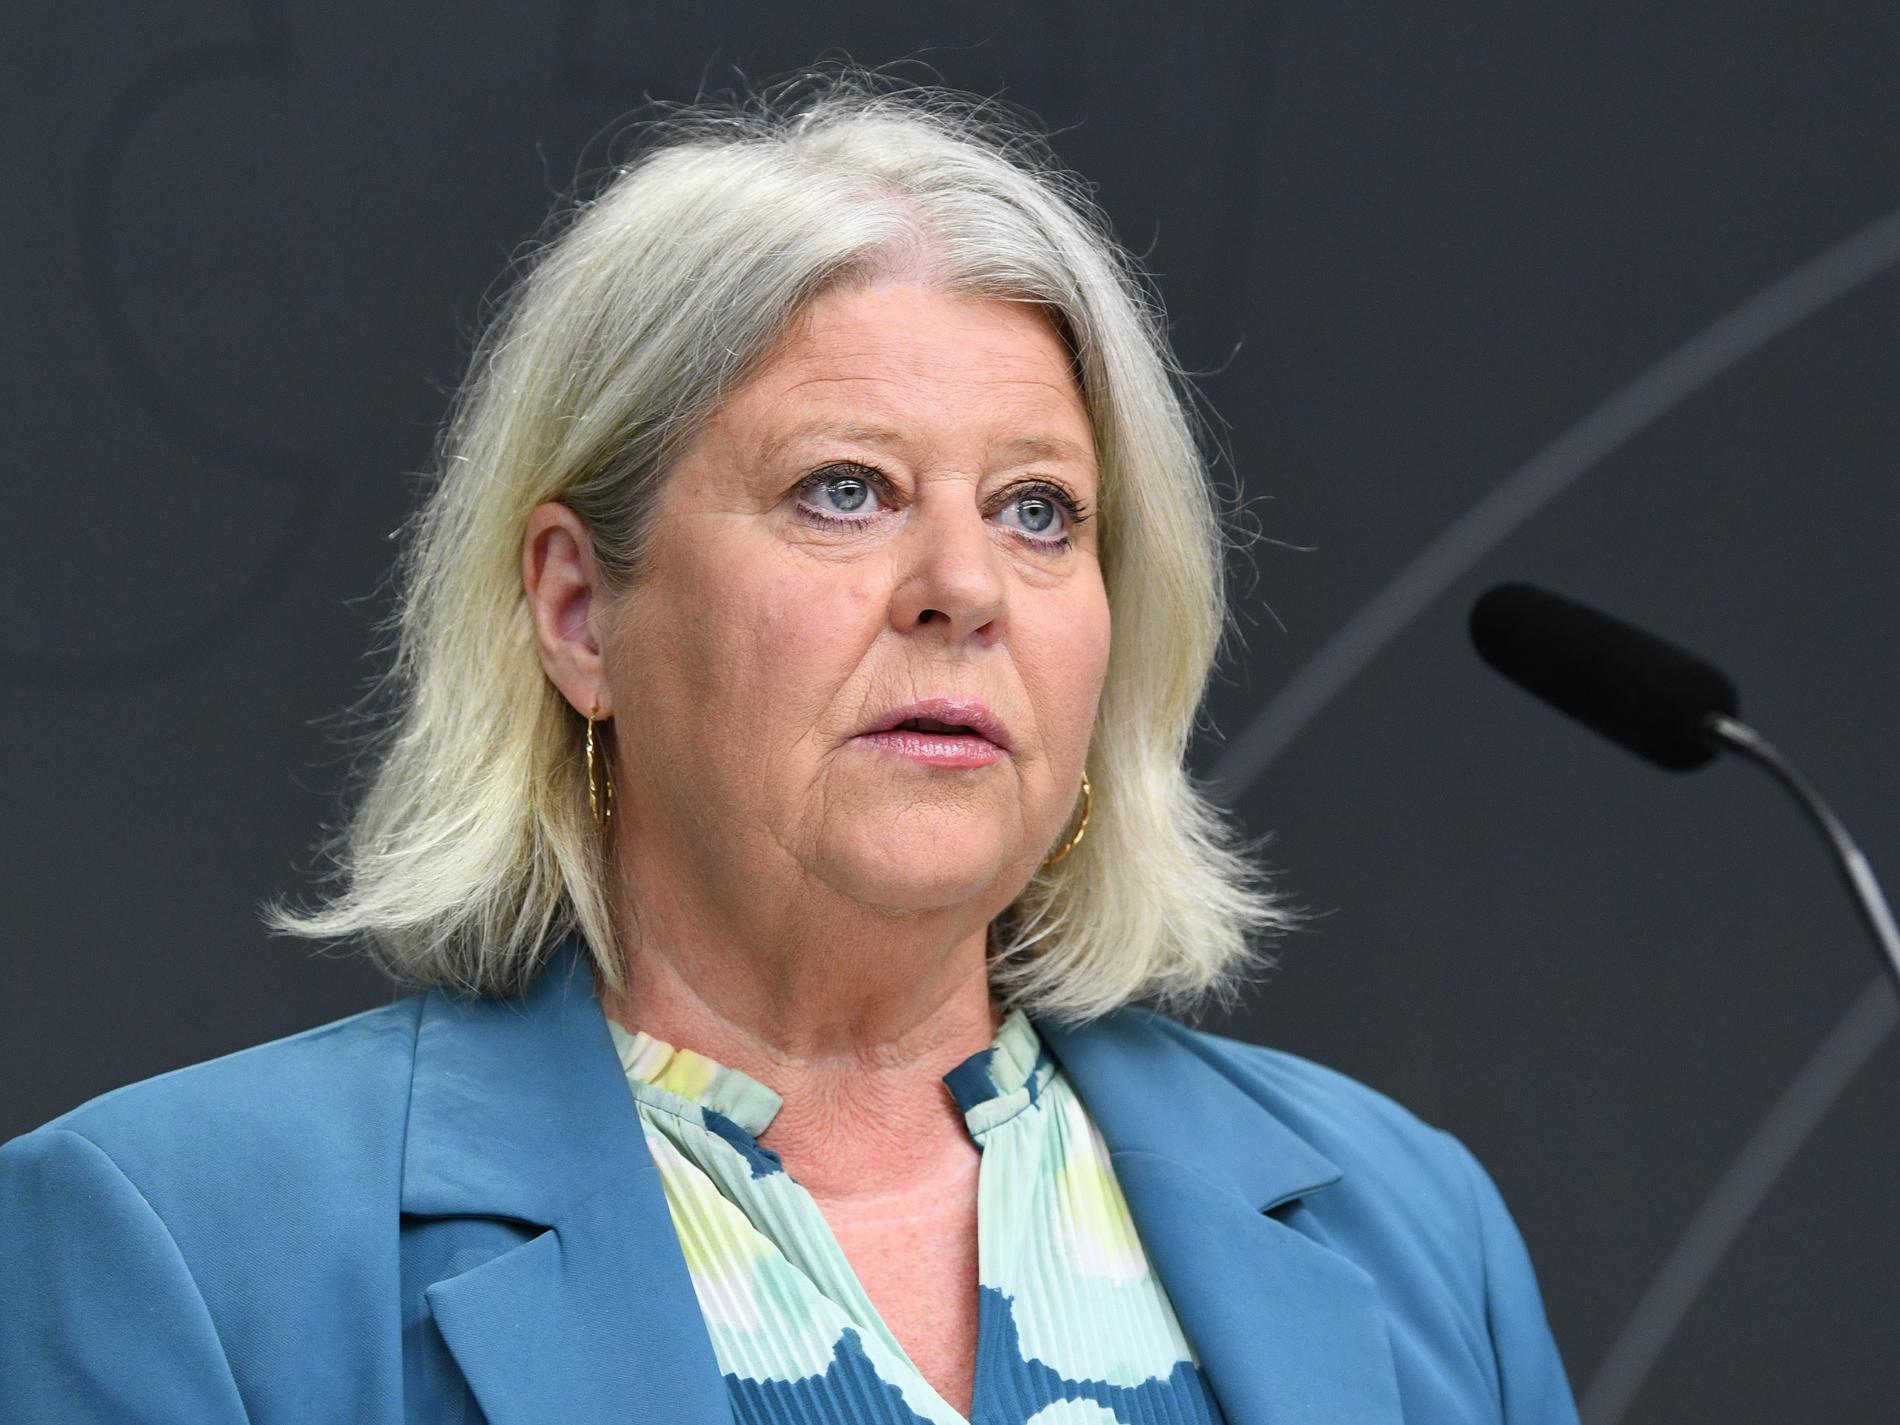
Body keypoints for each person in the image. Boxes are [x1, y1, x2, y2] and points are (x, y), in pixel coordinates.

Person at [0, 74, 1581, 1424]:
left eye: (1039, 511)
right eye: (846, 489)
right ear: (578, 612)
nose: (963, 585)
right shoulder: (183, 1247)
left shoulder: (1410, 1224)